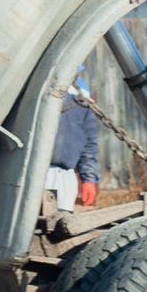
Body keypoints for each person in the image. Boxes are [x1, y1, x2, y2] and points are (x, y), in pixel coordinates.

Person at [45, 65, 99, 212]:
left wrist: (88, 179)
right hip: (27, 173)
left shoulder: (81, 94)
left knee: (59, 225)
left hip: (63, 175)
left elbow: (88, 141)